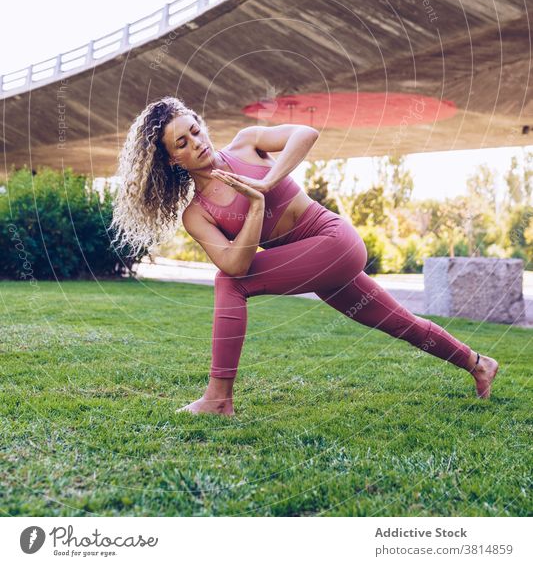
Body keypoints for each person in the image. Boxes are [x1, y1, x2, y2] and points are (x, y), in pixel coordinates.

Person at [110, 96, 499, 416]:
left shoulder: (248, 142)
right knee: (398, 321)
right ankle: (477, 363)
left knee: (229, 285)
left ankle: (217, 399)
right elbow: (235, 262)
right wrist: (256, 205)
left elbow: (305, 132)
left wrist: (265, 181)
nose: (196, 142)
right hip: (313, 263)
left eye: (195, 130)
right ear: (172, 161)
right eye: (182, 143)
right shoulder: (198, 214)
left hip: (334, 240)